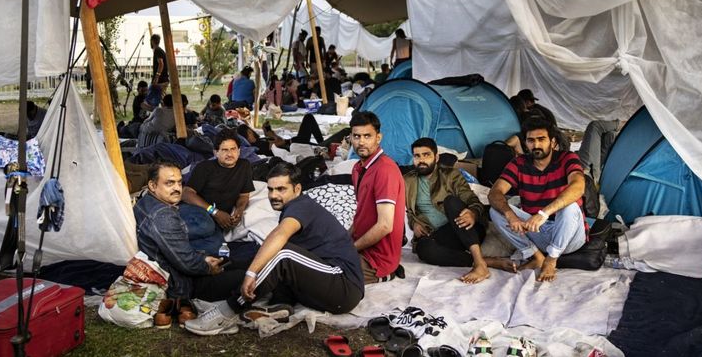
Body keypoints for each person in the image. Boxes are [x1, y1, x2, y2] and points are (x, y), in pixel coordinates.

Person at [184, 162, 364, 336]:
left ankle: (227, 312)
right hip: (321, 284)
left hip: (343, 287)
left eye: (281, 189)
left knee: (282, 254)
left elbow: (279, 236)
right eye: (270, 189)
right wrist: (228, 264)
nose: (273, 195)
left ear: (297, 189)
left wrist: (251, 273)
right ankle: (279, 304)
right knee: (261, 256)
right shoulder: (292, 207)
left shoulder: (301, 206)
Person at [133, 162, 249, 328]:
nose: (177, 188)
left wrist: (204, 258)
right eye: (169, 183)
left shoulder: (145, 202)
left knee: (241, 263)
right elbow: (187, 263)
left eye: (180, 182)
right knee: (249, 277)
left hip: (179, 268)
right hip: (183, 284)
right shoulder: (162, 216)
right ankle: (183, 305)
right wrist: (208, 266)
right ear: (152, 185)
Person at [488, 115, 587, 282]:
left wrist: (544, 213)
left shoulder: (567, 158)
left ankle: (551, 259)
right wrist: (510, 215)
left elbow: (578, 186)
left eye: (541, 139)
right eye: (531, 140)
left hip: (570, 236)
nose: (536, 145)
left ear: (553, 142)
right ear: (525, 143)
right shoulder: (519, 163)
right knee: (495, 210)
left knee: (569, 206)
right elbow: (495, 192)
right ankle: (535, 255)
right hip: (537, 232)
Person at [405, 138, 507, 284]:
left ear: (436, 157)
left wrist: (473, 213)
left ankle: (479, 263)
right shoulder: (408, 180)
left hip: (468, 228)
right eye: (417, 156)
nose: (421, 160)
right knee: (423, 249)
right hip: (442, 235)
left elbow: (473, 200)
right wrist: (414, 223)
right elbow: (408, 210)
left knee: (450, 202)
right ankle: (486, 261)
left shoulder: (450, 175)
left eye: (426, 155)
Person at [349, 111, 405, 283]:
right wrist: (343, 240)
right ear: (350, 137)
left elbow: (385, 226)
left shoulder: (385, 170)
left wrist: (350, 248)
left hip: (377, 259)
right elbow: (362, 214)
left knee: (321, 274)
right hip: (361, 247)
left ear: (378, 138)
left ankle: (388, 272)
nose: (361, 142)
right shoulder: (358, 168)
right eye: (357, 136)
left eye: (367, 136)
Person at [180, 129, 255, 255]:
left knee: (219, 249)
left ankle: (178, 247)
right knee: (206, 226)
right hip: (196, 211)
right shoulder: (205, 167)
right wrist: (214, 212)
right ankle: (167, 235)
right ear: (216, 152)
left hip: (217, 220)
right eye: (224, 150)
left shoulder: (244, 166)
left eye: (233, 149)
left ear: (239, 150)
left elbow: (244, 195)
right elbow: (186, 193)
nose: (230, 154)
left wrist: (239, 210)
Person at [577, 119, 621, 185]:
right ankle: (628, 124)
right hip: (586, 175)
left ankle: (630, 135)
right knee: (595, 126)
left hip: (592, 180)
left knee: (609, 136)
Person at [142, 34, 169, 111]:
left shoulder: (157, 50)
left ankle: (164, 113)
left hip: (161, 80)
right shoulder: (159, 50)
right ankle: (164, 112)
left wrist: (157, 76)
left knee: (152, 99)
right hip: (162, 80)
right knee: (161, 99)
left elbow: (161, 63)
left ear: (152, 41)